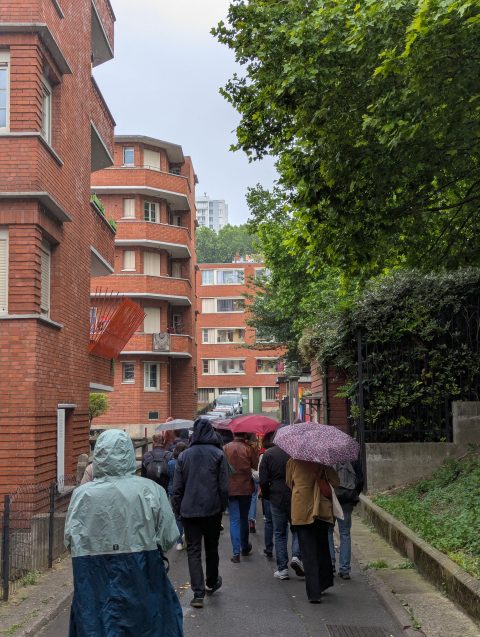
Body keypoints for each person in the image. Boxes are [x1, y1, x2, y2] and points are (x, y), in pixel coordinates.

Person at [65, 429, 182, 636]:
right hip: (142, 573)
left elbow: (69, 541)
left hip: (93, 576)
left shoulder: (81, 495)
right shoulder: (151, 491)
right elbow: (168, 537)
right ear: (128, 453)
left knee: (97, 627)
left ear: (98, 455)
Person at [172, 418, 229, 609]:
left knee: (194, 550)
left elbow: (177, 488)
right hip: (212, 509)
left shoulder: (184, 456)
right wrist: (222, 506)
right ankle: (211, 581)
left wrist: (178, 509)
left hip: (189, 510)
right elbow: (223, 486)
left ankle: (198, 593)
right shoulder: (218, 454)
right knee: (212, 547)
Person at [286, 459, 339, 603]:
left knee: (308, 553)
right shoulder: (323, 462)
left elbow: (290, 483)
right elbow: (335, 483)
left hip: (301, 509)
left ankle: (314, 593)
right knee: (322, 548)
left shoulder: (292, 462)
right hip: (321, 511)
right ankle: (323, 582)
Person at [259, 439, 304, 580]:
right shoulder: (296, 453)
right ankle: (296, 555)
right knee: (297, 528)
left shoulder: (268, 454)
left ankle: (282, 569)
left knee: (279, 533)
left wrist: (267, 495)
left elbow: (263, 480)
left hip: (276, 496)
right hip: (295, 495)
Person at [223, 432, 258, 562]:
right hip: (245, 488)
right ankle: (244, 547)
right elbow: (255, 466)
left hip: (231, 488)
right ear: (245, 435)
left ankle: (236, 553)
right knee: (244, 518)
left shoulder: (226, 448)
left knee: (234, 520)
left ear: (234, 434)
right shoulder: (249, 448)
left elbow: (222, 467)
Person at [328, 458, 364, 579]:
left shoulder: (328, 455)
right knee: (345, 533)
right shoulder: (352, 457)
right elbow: (360, 479)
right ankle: (345, 569)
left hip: (331, 497)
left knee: (328, 530)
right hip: (347, 498)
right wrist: (354, 493)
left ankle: (330, 564)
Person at [168, 442, 188, 551]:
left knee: (177, 516)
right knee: (186, 515)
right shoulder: (187, 462)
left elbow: (168, 476)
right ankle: (186, 535)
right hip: (185, 491)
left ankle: (179, 542)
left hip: (173, 491)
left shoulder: (170, 463)